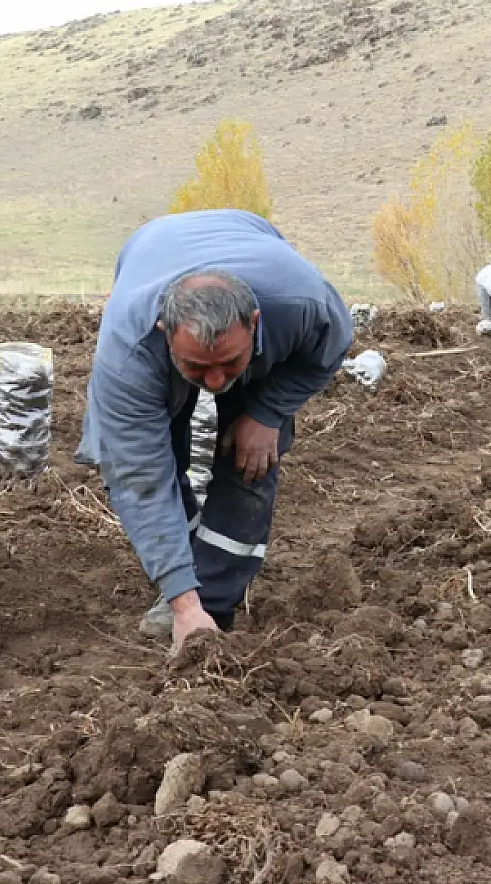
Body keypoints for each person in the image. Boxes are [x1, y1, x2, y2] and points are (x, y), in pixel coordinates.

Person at [76, 210, 353, 651]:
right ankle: (185, 593)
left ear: (256, 322)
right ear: (166, 334)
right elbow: (140, 479)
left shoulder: (303, 306)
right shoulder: (129, 354)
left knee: (253, 460)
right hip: (150, 248)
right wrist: (183, 605)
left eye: (230, 363)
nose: (215, 382)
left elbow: (328, 351)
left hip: (252, 245)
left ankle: (216, 601)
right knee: (152, 453)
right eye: (198, 367)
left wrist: (267, 412)